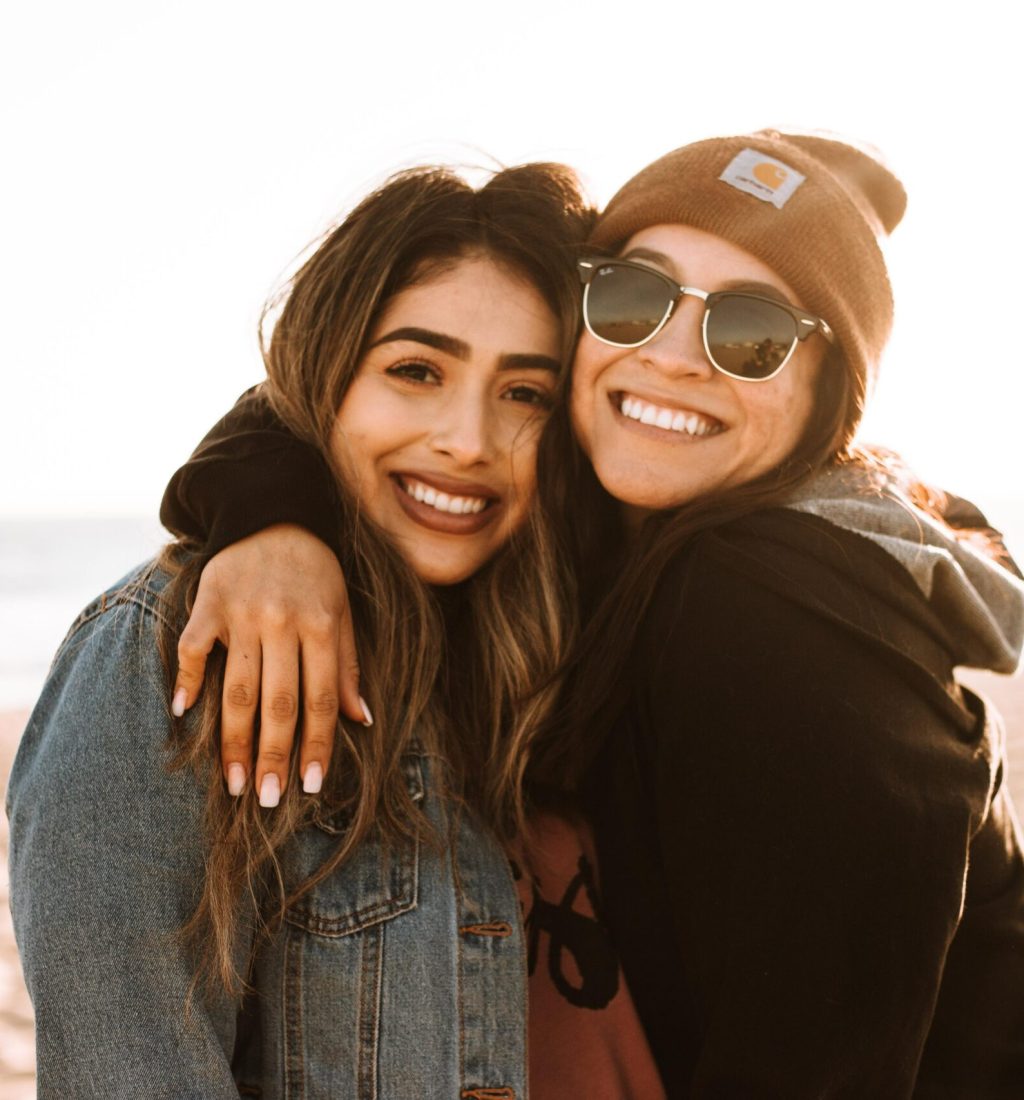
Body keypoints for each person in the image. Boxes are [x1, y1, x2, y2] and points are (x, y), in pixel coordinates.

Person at [159, 130, 1024, 1095]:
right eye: (632, 298)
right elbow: (335, 381)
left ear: (830, 395)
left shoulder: (775, 614)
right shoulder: (615, 519)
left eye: (751, 332)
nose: (674, 358)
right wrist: (277, 521)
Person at [8, 163, 669, 1098]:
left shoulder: (551, 646)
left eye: (525, 393)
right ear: (326, 377)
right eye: (415, 371)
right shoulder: (169, 653)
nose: (469, 440)